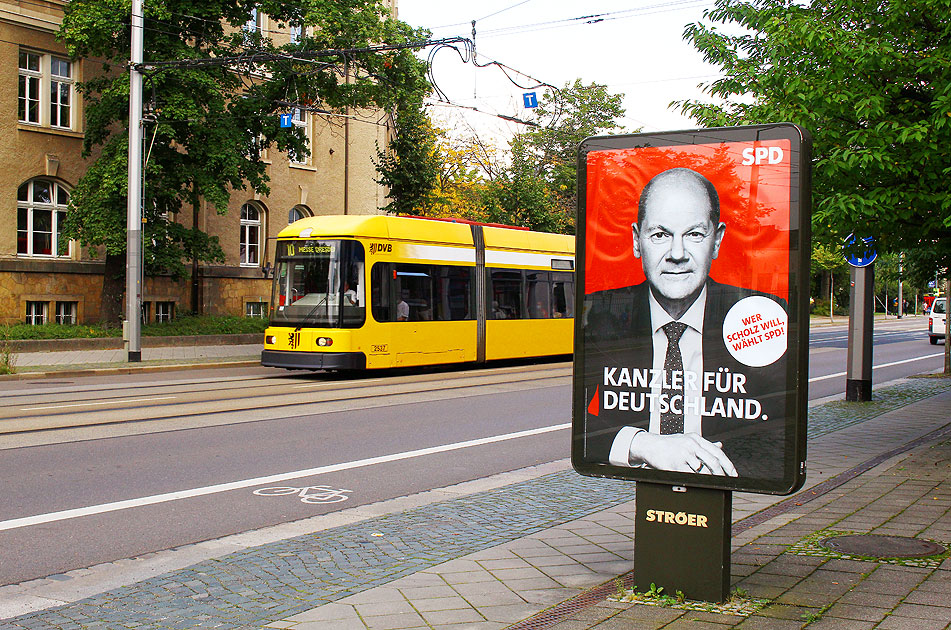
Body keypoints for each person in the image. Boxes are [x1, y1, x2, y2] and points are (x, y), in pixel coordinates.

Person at [582, 167, 787, 480]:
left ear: (716, 241)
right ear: (637, 241)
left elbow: (778, 433)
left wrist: (709, 467)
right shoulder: (600, 314)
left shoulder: (759, 318)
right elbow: (583, 426)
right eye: (660, 235)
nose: (677, 254)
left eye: (694, 234)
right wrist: (641, 444)